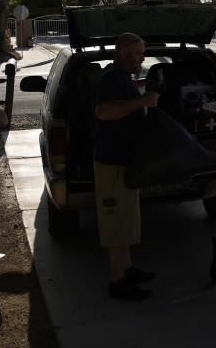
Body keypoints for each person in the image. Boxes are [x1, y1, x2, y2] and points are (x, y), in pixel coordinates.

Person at [93, 32, 160, 300]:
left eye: (143, 53)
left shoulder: (122, 79)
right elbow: (103, 112)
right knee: (115, 224)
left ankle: (128, 269)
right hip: (112, 163)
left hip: (125, 162)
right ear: (122, 53)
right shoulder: (111, 78)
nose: (142, 58)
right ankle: (118, 281)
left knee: (126, 220)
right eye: (137, 53)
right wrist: (141, 102)